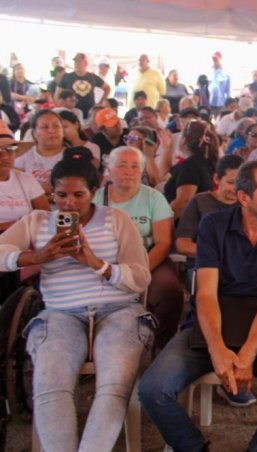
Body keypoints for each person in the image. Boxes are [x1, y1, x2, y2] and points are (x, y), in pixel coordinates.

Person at [139, 160, 257, 452]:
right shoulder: (214, 225)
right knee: (153, 389)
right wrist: (217, 349)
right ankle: (193, 447)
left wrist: (246, 355)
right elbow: (205, 294)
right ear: (244, 198)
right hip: (207, 326)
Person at [0, 147, 152, 451]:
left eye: (78, 195)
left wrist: (97, 264)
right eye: (61, 195)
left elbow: (140, 276)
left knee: (113, 387)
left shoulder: (116, 219)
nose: (69, 203)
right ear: (52, 193)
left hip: (118, 309)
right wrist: (35, 256)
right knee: (50, 386)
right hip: (61, 313)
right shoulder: (37, 221)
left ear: (94, 192)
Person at [95, 146, 180, 351]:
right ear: (110, 170)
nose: (129, 171)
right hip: (104, 261)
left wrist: (138, 272)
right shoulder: (96, 198)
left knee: (170, 291)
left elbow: (163, 242)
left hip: (148, 258)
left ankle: (161, 345)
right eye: (122, 165)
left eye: (135, 166)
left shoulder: (154, 198)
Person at [176, 154, 244, 259]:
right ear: (216, 179)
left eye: (241, 183)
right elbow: (182, 244)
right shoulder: (199, 202)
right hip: (207, 263)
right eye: (231, 182)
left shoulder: (249, 203)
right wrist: (219, 253)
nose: (236, 188)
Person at [0, 121, 50, 232]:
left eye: (9, 150)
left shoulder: (26, 179)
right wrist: (17, 224)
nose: (4, 156)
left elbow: (45, 216)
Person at [164, 120, 220, 217]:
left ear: (184, 140)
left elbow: (183, 203)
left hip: (184, 224)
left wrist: (163, 222)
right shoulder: (207, 161)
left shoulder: (190, 166)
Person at [14, 109, 66, 195]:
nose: (51, 131)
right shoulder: (24, 153)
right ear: (34, 133)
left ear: (63, 131)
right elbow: (16, 184)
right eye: (45, 127)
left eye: (56, 126)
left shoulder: (71, 155)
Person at [56, 52, 111, 119]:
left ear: (85, 63)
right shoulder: (67, 77)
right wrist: (61, 106)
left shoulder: (92, 77)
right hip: (71, 112)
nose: (76, 63)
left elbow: (107, 88)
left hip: (89, 113)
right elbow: (57, 94)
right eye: (75, 61)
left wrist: (100, 102)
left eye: (79, 61)